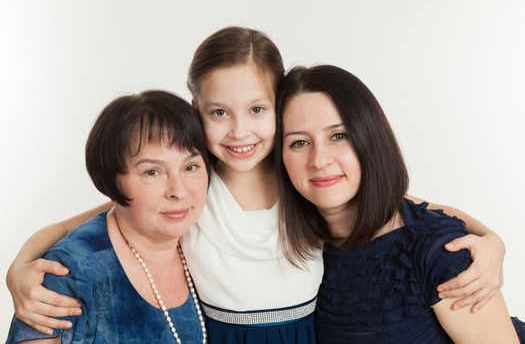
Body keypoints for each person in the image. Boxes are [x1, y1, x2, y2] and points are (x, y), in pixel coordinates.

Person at [6, 27, 506, 343]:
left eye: (258, 111)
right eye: (219, 113)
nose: (240, 132)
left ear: (279, 106)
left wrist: (493, 242)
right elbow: (106, 216)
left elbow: (413, 208)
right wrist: (20, 268)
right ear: (197, 112)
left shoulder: (301, 177)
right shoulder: (197, 183)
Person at [274, 64, 525, 343]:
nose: (319, 159)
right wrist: (492, 237)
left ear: (369, 138)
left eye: (339, 136)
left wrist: (491, 240)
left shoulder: (441, 253)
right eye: (298, 142)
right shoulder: (299, 245)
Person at [6, 90, 210, 343]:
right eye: (152, 172)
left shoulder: (210, 240)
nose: (178, 191)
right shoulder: (70, 272)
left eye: (190, 167)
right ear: (112, 179)